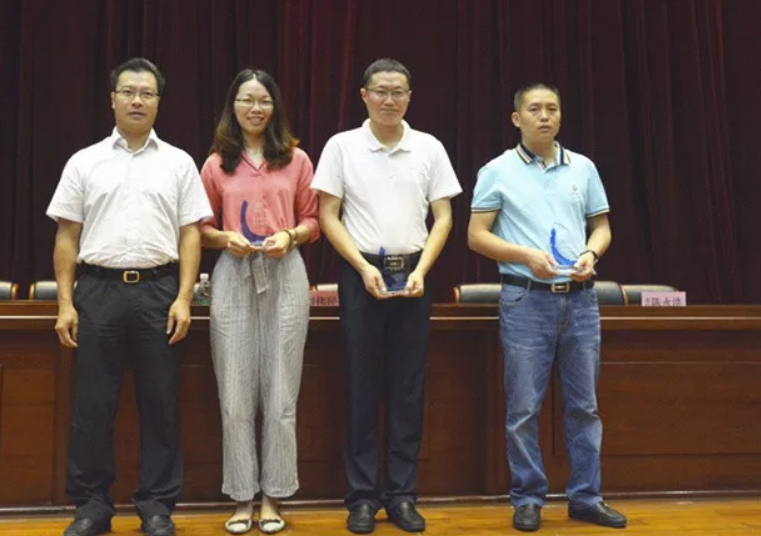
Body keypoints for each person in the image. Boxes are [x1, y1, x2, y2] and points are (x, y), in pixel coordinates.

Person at [47, 57, 212, 536]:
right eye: (128, 92)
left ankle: (157, 506)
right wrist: (65, 303)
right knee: (92, 405)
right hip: (97, 290)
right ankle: (92, 505)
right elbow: (66, 237)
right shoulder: (84, 161)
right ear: (113, 100)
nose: (137, 101)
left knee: (161, 402)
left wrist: (184, 298)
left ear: (159, 102)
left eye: (147, 93)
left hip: (159, 291)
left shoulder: (178, 162)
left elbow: (190, 235)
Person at [467, 83, 627, 532]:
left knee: (584, 406)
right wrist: (524, 256)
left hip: (580, 300)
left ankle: (586, 497)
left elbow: (601, 227)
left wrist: (591, 253)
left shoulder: (583, 167)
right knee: (523, 409)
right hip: (525, 299)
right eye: (534, 109)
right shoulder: (496, 170)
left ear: (560, 116)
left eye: (552, 108)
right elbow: (476, 235)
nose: (544, 116)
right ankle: (528, 498)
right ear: (516, 118)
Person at [312, 58, 462, 534]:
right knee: (361, 388)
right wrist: (361, 267)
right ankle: (361, 498)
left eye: (398, 92)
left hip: (413, 274)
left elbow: (443, 217)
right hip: (362, 275)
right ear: (364, 95)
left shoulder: (429, 147)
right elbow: (328, 214)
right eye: (380, 91)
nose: (389, 100)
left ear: (409, 97)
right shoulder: (342, 146)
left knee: (407, 389)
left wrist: (422, 269)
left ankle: (401, 495)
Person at [199, 69, 319, 535]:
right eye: (246, 100)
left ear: (275, 107)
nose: (255, 108)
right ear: (232, 107)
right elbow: (199, 228)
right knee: (234, 394)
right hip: (233, 275)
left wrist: (291, 235)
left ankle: (274, 495)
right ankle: (241, 496)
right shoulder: (216, 164)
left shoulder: (296, 159)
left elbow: (314, 220)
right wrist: (223, 238)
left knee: (281, 392)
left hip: (285, 273)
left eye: (263, 100)